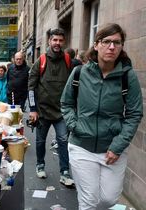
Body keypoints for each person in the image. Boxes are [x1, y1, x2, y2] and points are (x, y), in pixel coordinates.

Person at [61, 23, 143, 210]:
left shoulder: (127, 76)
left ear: (122, 47)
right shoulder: (79, 72)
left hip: (112, 149)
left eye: (117, 42)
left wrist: (118, 145)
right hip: (81, 146)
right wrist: (75, 126)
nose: (112, 47)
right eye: (106, 41)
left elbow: (134, 113)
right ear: (96, 45)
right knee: (89, 201)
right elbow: (66, 103)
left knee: (108, 200)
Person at [28, 28, 74, 186]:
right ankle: (40, 165)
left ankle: (65, 172)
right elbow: (31, 87)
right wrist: (33, 109)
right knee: (40, 141)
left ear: (64, 42)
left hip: (62, 111)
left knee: (63, 140)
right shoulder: (40, 61)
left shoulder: (68, 61)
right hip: (42, 111)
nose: (57, 43)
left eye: (60, 40)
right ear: (49, 41)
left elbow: (73, 85)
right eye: (55, 40)